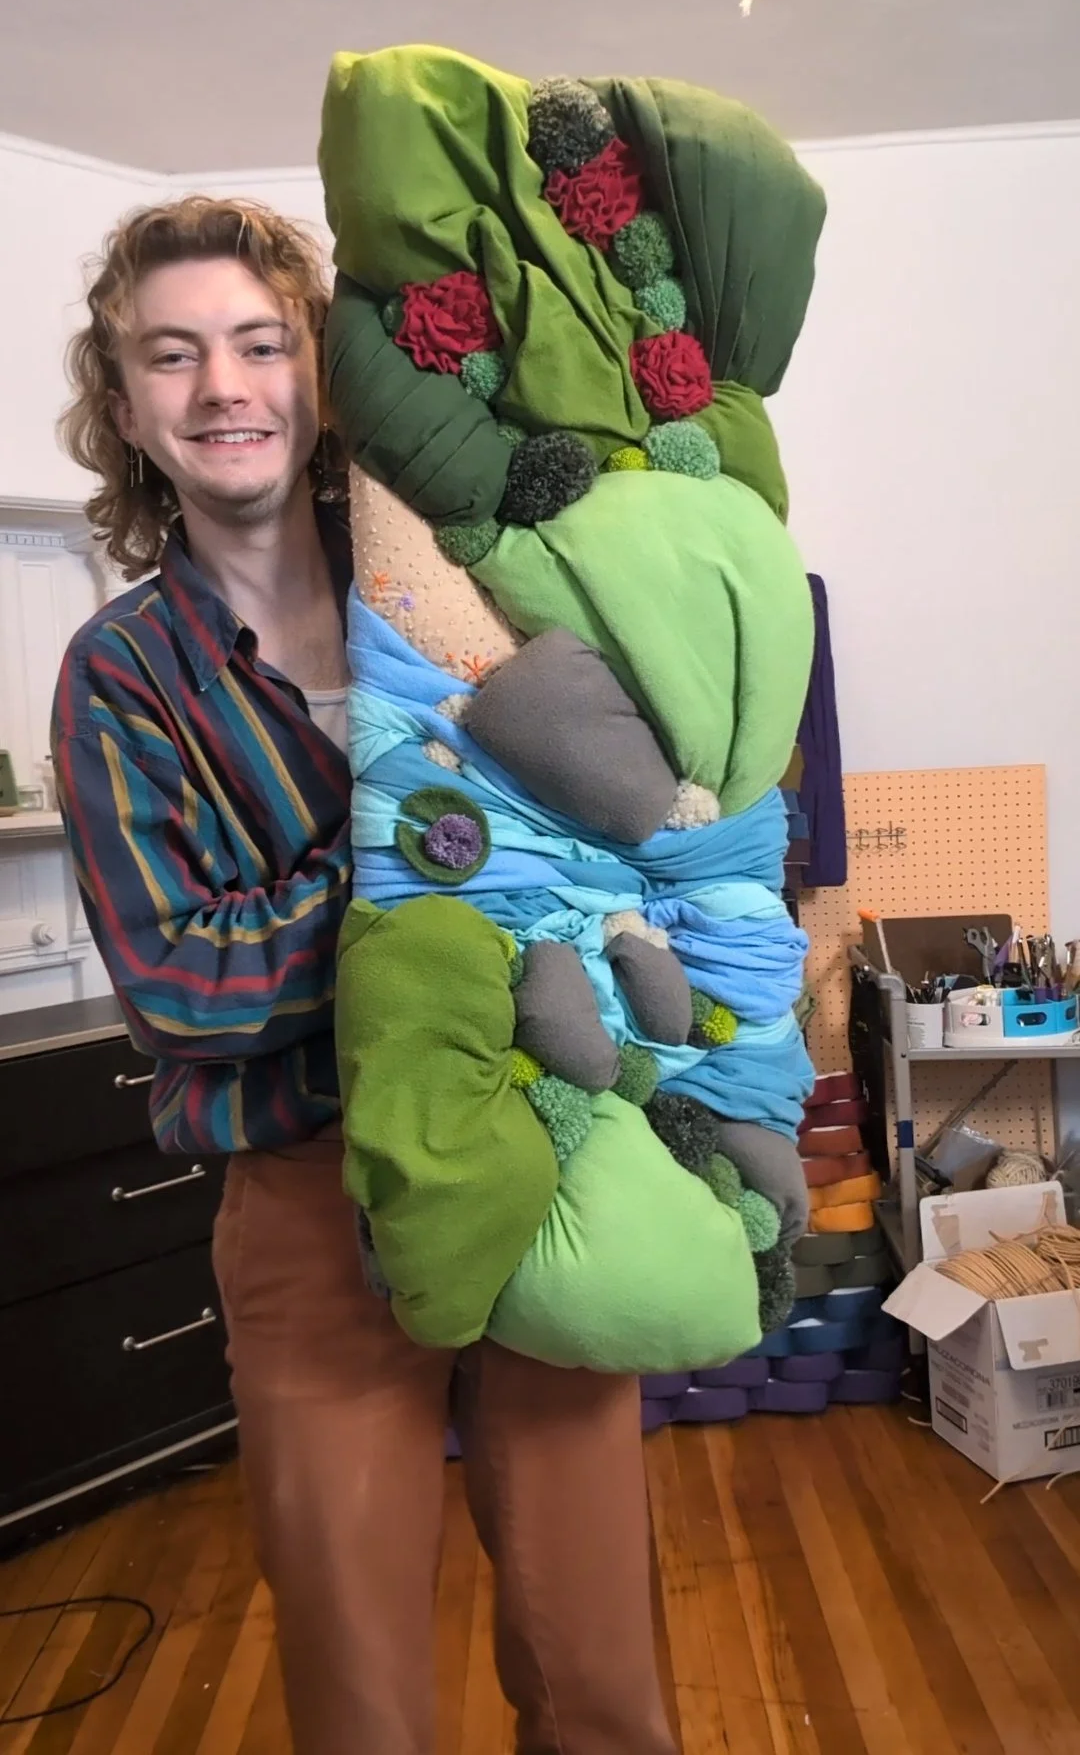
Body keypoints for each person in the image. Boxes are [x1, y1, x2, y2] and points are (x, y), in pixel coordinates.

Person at [52, 196, 677, 1755]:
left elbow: (606, 833)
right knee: (361, 1701)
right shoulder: (124, 675)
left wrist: (413, 894)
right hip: (308, 1208)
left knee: (603, 1677)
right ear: (125, 405)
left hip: (541, 1162)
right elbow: (188, 992)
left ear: (317, 377)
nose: (224, 388)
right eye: (173, 355)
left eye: (262, 344)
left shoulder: (450, 595)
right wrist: (445, 862)